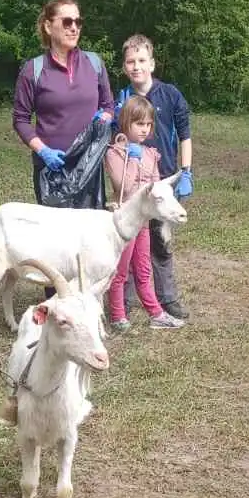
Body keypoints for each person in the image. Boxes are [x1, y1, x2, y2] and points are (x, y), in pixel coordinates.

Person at [116, 34, 193, 321]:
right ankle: (124, 298)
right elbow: (116, 134)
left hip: (162, 182)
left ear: (152, 63)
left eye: (141, 61)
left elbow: (184, 135)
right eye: (130, 62)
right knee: (129, 238)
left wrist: (185, 172)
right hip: (134, 185)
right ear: (125, 67)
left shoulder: (170, 94)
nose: (136, 67)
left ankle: (167, 297)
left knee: (161, 240)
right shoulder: (123, 98)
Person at [12, 0, 114, 206]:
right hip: (52, 171)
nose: (74, 28)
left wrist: (104, 117)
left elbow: (108, 105)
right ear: (49, 26)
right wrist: (42, 150)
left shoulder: (94, 63)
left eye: (78, 22)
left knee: (88, 235)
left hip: (89, 166)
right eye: (67, 22)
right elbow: (20, 119)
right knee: (56, 236)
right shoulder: (34, 70)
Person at [104, 96, 186, 333]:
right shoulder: (115, 153)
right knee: (120, 271)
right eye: (139, 124)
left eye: (148, 125)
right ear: (126, 122)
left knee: (143, 269)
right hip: (124, 220)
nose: (145, 129)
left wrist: (145, 162)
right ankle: (118, 315)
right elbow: (124, 186)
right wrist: (133, 161)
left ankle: (156, 313)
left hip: (143, 221)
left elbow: (156, 186)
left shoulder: (151, 153)